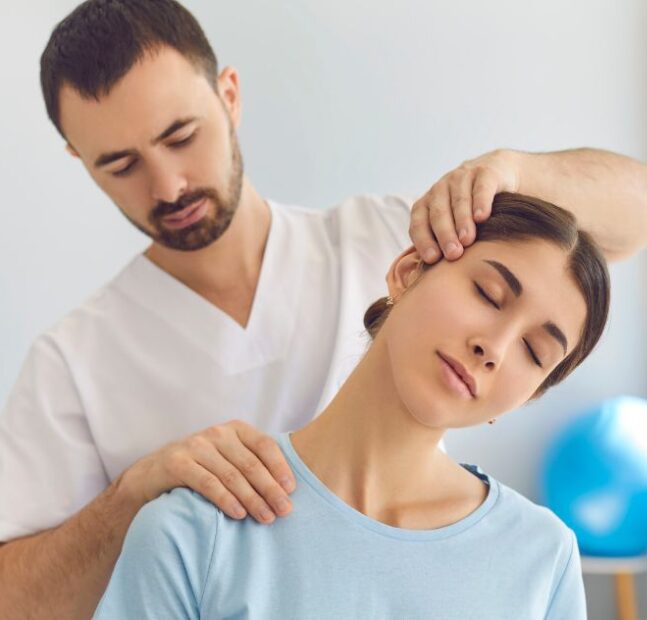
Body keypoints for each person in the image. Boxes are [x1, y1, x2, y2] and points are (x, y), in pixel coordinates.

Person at [0, 1, 647, 617]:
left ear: (228, 95)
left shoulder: (394, 237)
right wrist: (132, 498)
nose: (169, 183)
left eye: (182, 136)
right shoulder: (76, 368)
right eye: (121, 165)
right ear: (80, 160)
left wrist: (510, 172)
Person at [93, 193, 608, 619]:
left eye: (534, 353)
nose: (493, 347)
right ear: (408, 273)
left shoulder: (542, 557)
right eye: (488, 294)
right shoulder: (198, 528)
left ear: (529, 394)